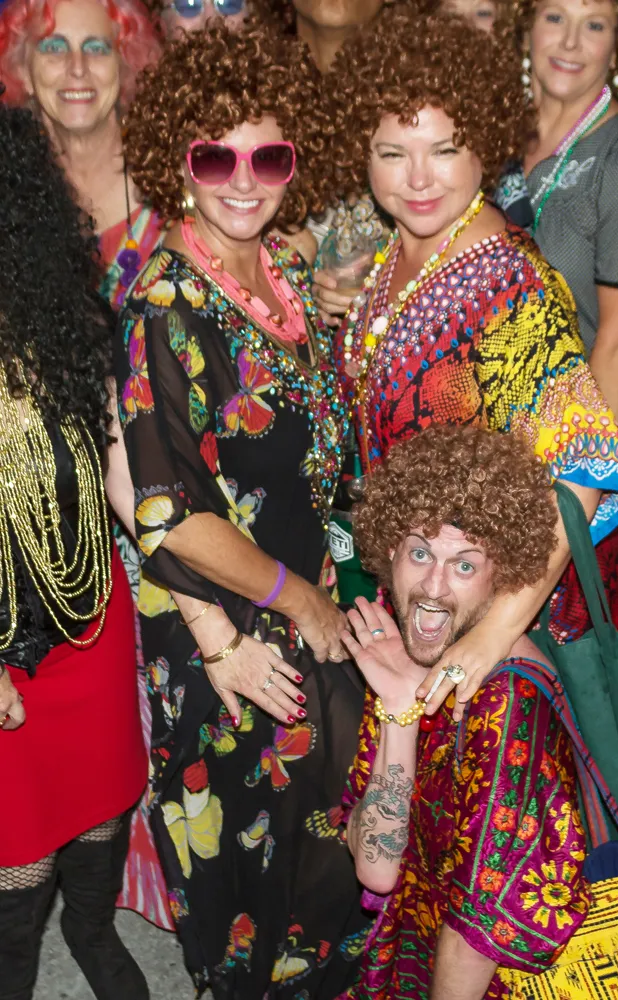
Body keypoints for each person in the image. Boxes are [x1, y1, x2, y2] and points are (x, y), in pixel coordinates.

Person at [115, 23, 368, 998]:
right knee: (254, 884)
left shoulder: (283, 273)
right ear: (178, 163)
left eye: (269, 157)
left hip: (310, 603)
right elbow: (167, 514)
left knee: (323, 858)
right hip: (232, 627)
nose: (244, 180)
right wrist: (296, 601)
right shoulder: (165, 305)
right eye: (216, 156)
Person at [327, 8, 618, 722]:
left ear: (484, 145)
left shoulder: (508, 288)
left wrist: (493, 633)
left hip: (509, 636)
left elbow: (581, 468)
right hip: (424, 608)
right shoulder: (397, 254)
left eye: (444, 150)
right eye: (391, 152)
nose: (417, 178)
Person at [340, 424, 618, 1000]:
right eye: (420, 553)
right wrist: (397, 710)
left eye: (464, 565)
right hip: (418, 949)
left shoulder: (508, 700)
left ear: (505, 573)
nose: (433, 587)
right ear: (390, 550)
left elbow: (477, 938)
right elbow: (377, 869)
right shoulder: (398, 652)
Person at [0, 102, 147, 1000]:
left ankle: (91, 930)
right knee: (15, 876)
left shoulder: (69, 314)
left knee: (101, 825)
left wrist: (202, 589)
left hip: (90, 624)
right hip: (5, 662)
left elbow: (121, 476)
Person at [495, 0, 618, 719]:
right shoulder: (495, 136)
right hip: (500, 452)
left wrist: (564, 485)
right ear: (523, 24)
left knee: (598, 716)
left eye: (594, 24)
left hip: (588, 470)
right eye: (554, 17)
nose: (570, 41)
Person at [0, 0, 163, 311]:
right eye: (54, 47)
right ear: (22, 70)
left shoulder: (174, 184)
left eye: (96, 48)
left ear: (124, 64)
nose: (77, 67)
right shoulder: (11, 200)